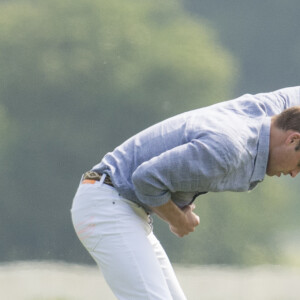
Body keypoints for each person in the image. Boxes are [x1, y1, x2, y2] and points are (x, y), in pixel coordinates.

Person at [71, 86, 300, 300]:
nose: (294, 174)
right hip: (105, 205)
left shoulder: (270, 113)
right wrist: (178, 218)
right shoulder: (228, 150)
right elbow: (145, 179)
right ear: (293, 139)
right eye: (299, 165)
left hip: (120, 204)